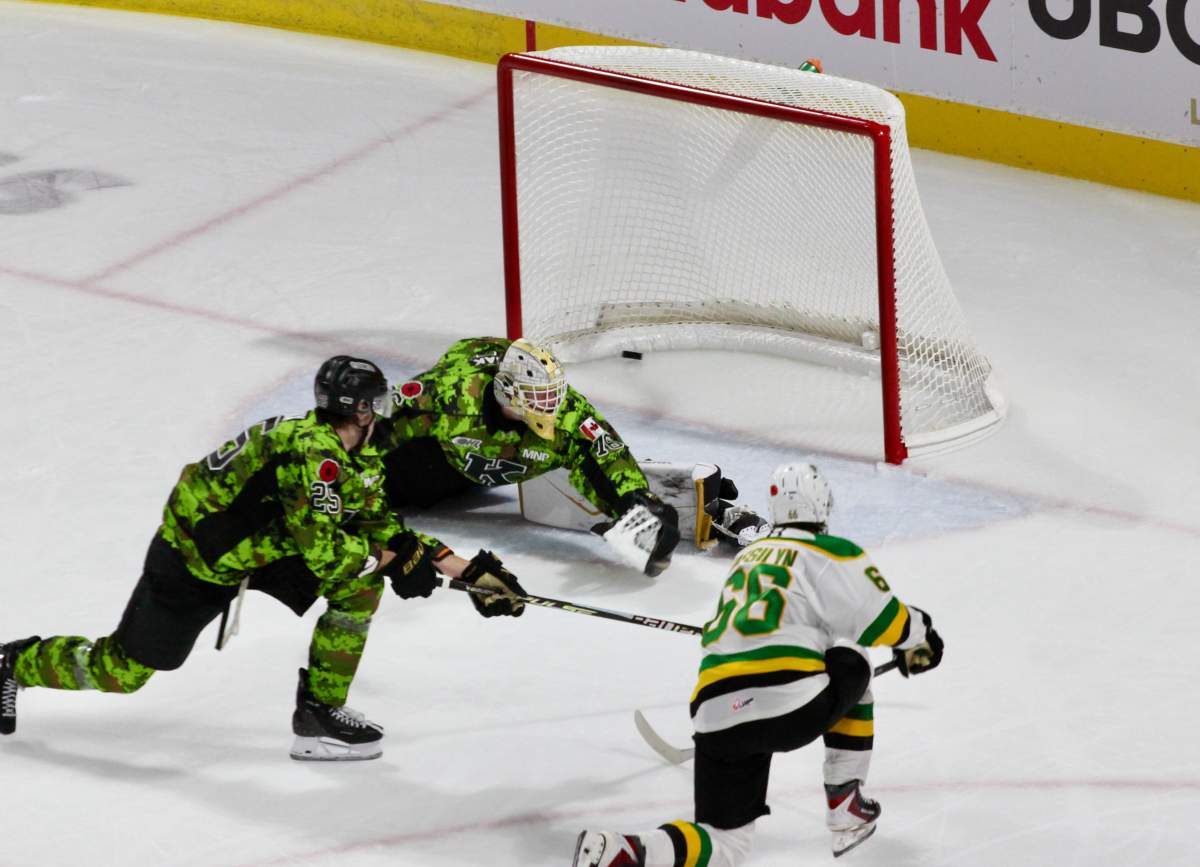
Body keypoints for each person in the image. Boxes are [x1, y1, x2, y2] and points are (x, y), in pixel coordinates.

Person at [0, 355, 525, 760]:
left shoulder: (354, 452)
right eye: (378, 405)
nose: (384, 414)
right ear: (360, 410)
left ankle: (319, 711)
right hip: (195, 561)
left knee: (359, 586)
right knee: (125, 671)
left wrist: (465, 569)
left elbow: (372, 521)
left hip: (267, 546)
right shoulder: (310, 455)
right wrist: (390, 559)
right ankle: (13, 662)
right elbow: (324, 552)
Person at [571, 463, 945, 867]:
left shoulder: (748, 556)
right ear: (822, 506)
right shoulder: (830, 551)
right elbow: (883, 622)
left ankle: (625, 851)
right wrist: (922, 636)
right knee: (853, 653)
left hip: (714, 714)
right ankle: (845, 805)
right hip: (787, 703)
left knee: (724, 845)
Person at [374, 336, 767, 577]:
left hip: (474, 478)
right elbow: (366, 422)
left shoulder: (564, 413)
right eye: (537, 399)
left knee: (586, 460)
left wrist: (635, 499)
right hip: (417, 464)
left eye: (552, 397)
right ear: (508, 391)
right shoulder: (450, 394)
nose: (549, 408)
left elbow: (605, 453)